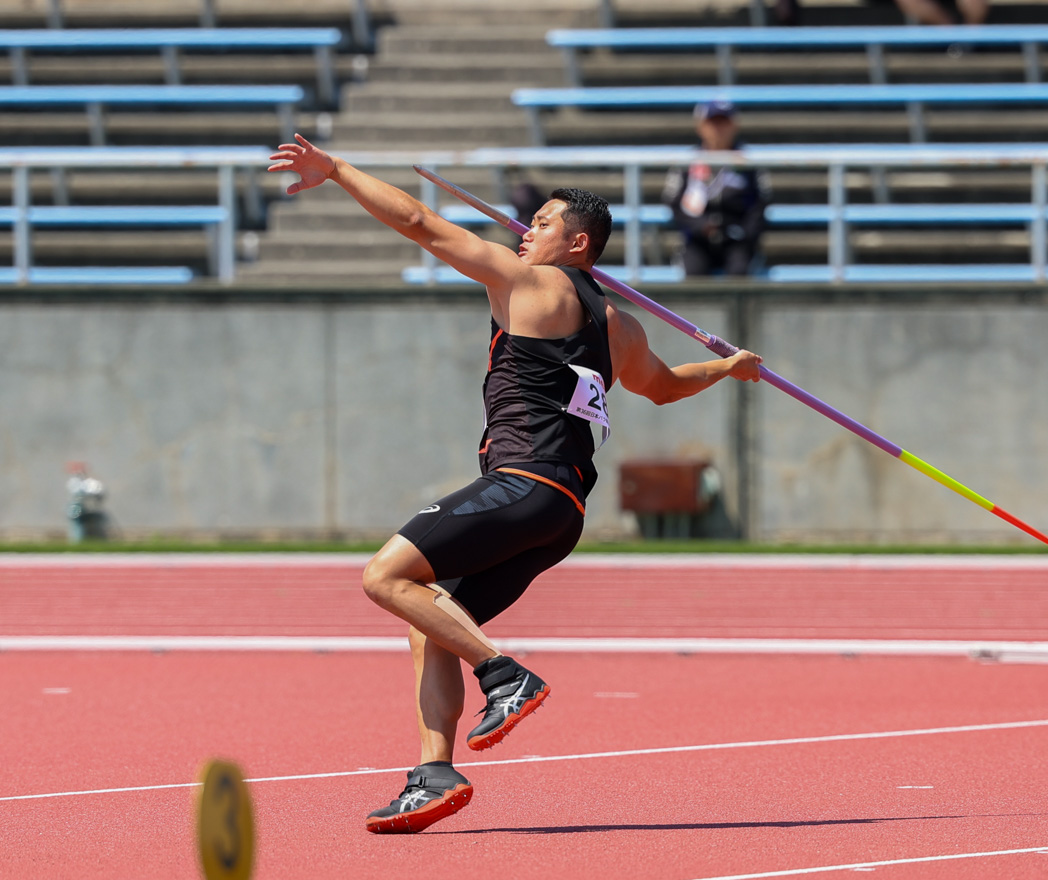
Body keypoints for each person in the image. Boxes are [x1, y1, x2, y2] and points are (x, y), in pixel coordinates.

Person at [267, 134, 763, 834]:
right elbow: (661, 388)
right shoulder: (615, 322)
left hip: (523, 482)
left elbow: (419, 224)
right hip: (560, 513)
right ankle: (432, 773)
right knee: (430, 620)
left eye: (544, 223)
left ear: (580, 244)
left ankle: (504, 675)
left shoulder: (527, 283)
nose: (527, 232)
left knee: (384, 578)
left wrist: (340, 169)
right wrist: (727, 368)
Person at [662, 100, 770, 278]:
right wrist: (701, 226)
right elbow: (673, 202)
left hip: (737, 239)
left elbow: (760, 203)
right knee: (694, 273)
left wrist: (743, 233)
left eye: (724, 123)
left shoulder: (750, 162)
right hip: (697, 239)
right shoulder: (686, 162)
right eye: (713, 123)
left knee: (740, 273)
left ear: (735, 126)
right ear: (700, 126)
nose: (718, 129)